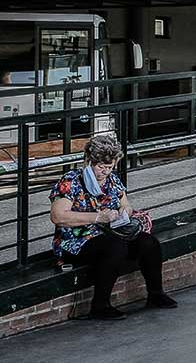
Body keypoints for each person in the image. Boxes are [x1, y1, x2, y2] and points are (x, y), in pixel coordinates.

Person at [49, 133, 176, 320]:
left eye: (110, 167)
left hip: (111, 231)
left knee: (148, 243)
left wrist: (124, 213)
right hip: (76, 241)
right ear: (88, 161)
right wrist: (98, 217)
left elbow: (126, 204)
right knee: (115, 247)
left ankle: (156, 293)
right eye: (101, 167)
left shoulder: (112, 179)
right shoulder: (71, 181)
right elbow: (58, 216)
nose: (105, 172)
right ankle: (100, 305)